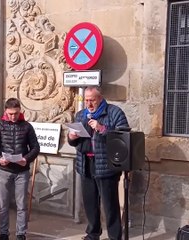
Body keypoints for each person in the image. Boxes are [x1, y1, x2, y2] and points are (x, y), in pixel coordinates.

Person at [67, 86, 129, 240]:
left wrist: (102, 129)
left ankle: (115, 237)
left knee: (110, 205)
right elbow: (73, 142)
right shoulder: (81, 115)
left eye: (92, 100)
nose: (88, 103)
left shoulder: (115, 112)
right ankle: (93, 234)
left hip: (106, 166)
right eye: (86, 100)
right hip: (86, 164)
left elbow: (124, 137)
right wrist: (72, 138)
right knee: (90, 202)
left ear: (100, 98)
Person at [0, 98, 40, 240]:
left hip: (22, 171)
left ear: (20, 111)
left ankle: (21, 234)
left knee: (21, 205)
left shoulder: (27, 126)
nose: (13, 116)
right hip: (4, 170)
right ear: (5, 111)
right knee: (3, 204)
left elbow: (35, 148)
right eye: (10, 114)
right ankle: (4, 233)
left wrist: (26, 159)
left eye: (16, 113)